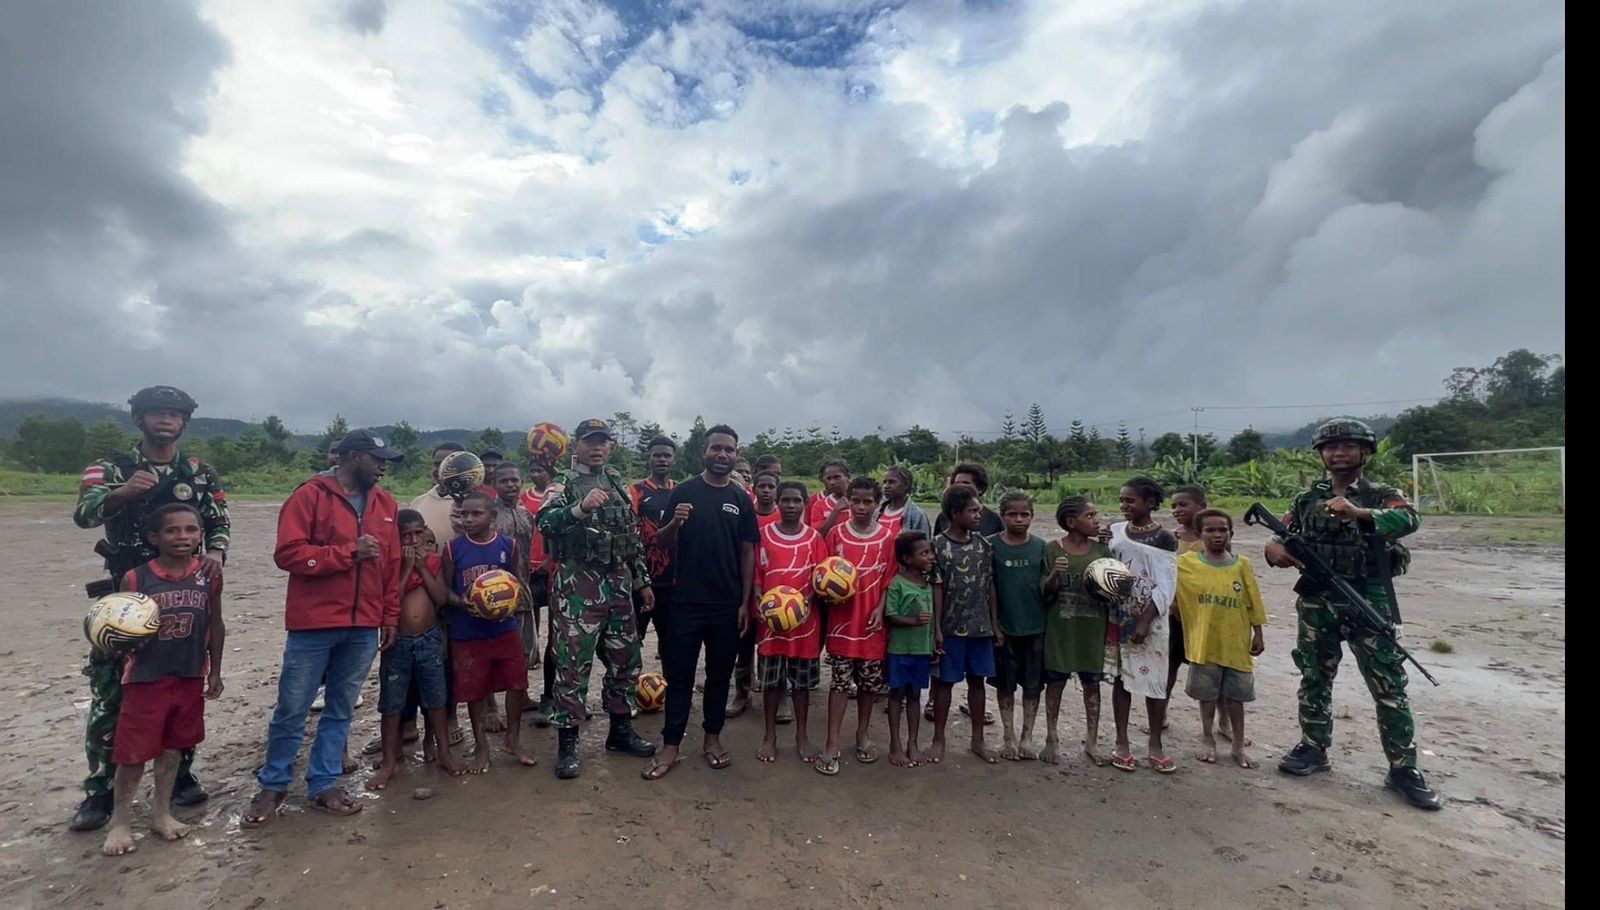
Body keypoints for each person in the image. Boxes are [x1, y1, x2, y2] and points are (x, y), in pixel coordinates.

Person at [71, 385, 228, 831]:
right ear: (139, 419)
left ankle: (179, 775)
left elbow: (218, 521)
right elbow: (84, 514)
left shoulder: (200, 473)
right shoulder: (110, 467)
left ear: (184, 423)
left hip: (187, 591)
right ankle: (100, 791)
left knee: (182, 682)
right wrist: (121, 493)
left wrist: (215, 552)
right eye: (155, 413)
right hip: (127, 596)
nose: (165, 420)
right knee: (113, 687)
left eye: (173, 414)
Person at [1267, 418, 1439, 810]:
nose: (1339, 453)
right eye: (1331, 447)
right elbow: (1284, 530)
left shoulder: (1382, 494)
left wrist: (1359, 512)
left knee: (1388, 684)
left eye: (1348, 446)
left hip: (1367, 598)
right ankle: (1313, 746)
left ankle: (1403, 768)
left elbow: (1409, 519)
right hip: (1317, 599)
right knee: (1314, 675)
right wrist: (1273, 547)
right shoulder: (1307, 498)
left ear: (1365, 453)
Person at [244, 429, 402, 827]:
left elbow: (392, 566)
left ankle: (324, 783)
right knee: (293, 707)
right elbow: (288, 554)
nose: (383, 467)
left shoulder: (386, 504)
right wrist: (348, 552)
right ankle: (273, 784)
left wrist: (389, 616)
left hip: (364, 625)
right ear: (352, 457)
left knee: (341, 707)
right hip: (314, 624)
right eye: (377, 459)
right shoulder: (309, 496)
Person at [100, 503, 225, 856]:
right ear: (154, 537)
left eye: (191, 529)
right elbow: (118, 629)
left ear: (201, 535)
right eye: (172, 530)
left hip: (189, 674)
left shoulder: (209, 575)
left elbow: (216, 622)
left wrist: (215, 670)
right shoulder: (136, 578)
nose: (182, 536)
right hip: (145, 678)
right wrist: (121, 645)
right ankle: (120, 822)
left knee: (172, 749)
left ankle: (161, 813)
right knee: (133, 753)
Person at [536, 419, 657, 779]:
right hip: (578, 586)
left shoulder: (617, 481)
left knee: (626, 658)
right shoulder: (563, 482)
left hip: (618, 582)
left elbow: (631, 536)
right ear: (576, 445)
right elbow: (545, 522)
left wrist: (642, 581)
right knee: (573, 664)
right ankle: (568, 742)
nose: (597, 448)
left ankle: (620, 731)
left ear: (610, 446)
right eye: (590, 442)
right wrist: (580, 508)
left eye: (603, 442)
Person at [642, 426, 759, 780]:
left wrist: (744, 602)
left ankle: (712, 738)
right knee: (679, 676)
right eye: (716, 448)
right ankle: (671, 745)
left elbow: (748, 552)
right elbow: (660, 543)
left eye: (729, 450)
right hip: (685, 602)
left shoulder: (741, 499)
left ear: (736, 455)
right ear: (703, 452)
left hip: (727, 604)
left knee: (719, 676)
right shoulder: (684, 491)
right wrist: (674, 523)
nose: (723, 455)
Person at [440, 492, 537, 773]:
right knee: (476, 690)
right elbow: (444, 588)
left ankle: (512, 740)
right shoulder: (452, 549)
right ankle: (481, 746)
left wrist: (509, 604)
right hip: (468, 632)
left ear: (492, 517)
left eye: (476, 514)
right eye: (464, 514)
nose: (468, 519)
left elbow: (515, 581)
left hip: (504, 628)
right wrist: (462, 602)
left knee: (517, 683)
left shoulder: (508, 545)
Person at [367, 510, 462, 789]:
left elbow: (441, 598)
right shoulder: (390, 565)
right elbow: (390, 601)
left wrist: (421, 567)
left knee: (436, 699)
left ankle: (444, 753)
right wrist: (408, 567)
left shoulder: (433, 561)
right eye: (406, 536)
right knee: (392, 703)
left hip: (429, 640)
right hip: (397, 642)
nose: (413, 540)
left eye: (418, 533)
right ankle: (389, 762)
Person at [815, 476, 894, 776]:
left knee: (868, 685)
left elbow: (888, 579)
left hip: (872, 625)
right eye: (856, 501)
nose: (861, 507)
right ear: (847, 501)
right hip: (842, 624)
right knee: (838, 684)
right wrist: (827, 594)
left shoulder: (886, 538)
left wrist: (880, 609)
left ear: (877, 504)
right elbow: (822, 574)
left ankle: (862, 734)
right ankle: (832, 741)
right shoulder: (836, 534)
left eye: (868, 502)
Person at [1177, 510, 1266, 769]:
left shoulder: (1242, 564)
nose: (1217, 535)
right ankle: (1208, 738)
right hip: (1204, 643)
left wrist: (1258, 632)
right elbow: (1163, 575)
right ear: (1199, 534)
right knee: (1206, 696)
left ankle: (1237, 745)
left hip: (1236, 643)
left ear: (1231, 533)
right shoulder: (1186, 563)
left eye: (1222, 530)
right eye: (1210, 530)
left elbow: (1253, 599)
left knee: (1236, 697)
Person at [751, 481, 828, 763]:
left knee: (801, 685)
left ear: (805, 503)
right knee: (771, 683)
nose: (791, 505)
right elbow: (757, 574)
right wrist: (758, 595)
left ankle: (802, 736)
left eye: (797, 501)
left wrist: (807, 600)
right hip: (771, 625)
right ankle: (769, 736)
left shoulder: (814, 539)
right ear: (778, 502)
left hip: (805, 626)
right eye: (786, 500)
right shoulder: (764, 536)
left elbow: (822, 577)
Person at [1104, 487, 1179, 774]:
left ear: (1150, 503)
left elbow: (1166, 585)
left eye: (1130, 500)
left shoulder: (1164, 538)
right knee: (1121, 678)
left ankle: (1155, 744)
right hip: (1119, 615)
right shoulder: (1116, 531)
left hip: (1151, 620)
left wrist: (1145, 621)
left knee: (1155, 682)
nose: (1124, 505)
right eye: (1121, 500)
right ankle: (1121, 742)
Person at [930, 486, 1001, 764]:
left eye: (979, 510)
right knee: (944, 684)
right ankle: (938, 738)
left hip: (979, 627)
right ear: (954, 513)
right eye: (972, 511)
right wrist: (936, 628)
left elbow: (990, 585)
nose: (978, 515)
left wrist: (994, 624)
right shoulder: (937, 546)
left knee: (977, 682)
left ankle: (978, 739)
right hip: (949, 628)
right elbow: (936, 588)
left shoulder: (983, 546)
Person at [1040, 498, 1113, 766]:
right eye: (1089, 515)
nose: (1096, 520)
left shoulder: (1102, 550)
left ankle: (1092, 741)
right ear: (1072, 522)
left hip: (1092, 632)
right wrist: (1055, 576)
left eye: (1096, 514)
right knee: (1055, 684)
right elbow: (1045, 592)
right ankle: (1051, 737)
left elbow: (1113, 589)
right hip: (1060, 631)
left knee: (1092, 684)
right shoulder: (1052, 550)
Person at [990, 492, 1050, 761]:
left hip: (1036, 628)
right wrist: (995, 625)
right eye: (1012, 514)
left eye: (1024, 514)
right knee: (1005, 685)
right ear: (1002, 515)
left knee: (1033, 686)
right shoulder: (991, 546)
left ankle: (1027, 737)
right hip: (1005, 629)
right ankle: (1008, 737)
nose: (1018, 519)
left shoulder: (1041, 547)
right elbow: (990, 588)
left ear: (1032, 516)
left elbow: (1048, 588)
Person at [884, 532, 937, 768]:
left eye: (930, 552)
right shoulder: (897, 583)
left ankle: (912, 743)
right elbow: (890, 615)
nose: (931, 557)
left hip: (921, 650)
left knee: (915, 696)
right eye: (924, 553)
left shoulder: (929, 584)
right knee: (896, 695)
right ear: (907, 558)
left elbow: (934, 619)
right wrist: (913, 621)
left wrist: (935, 640)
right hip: (899, 650)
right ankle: (895, 744)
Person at [629, 437, 678, 660]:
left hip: (672, 583)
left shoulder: (681, 491)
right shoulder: (636, 491)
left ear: (674, 460)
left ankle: (671, 683)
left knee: (671, 645)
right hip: (642, 581)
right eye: (657, 455)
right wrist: (638, 579)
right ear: (649, 459)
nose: (662, 459)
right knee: (631, 644)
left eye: (667, 455)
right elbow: (628, 535)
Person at [520, 457, 558, 722]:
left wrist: (550, 559)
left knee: (556, 637)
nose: (536, 474)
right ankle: (523, 693)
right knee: (527, 633)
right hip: (529, 571)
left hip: (553, 570)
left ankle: (550, 695)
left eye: (540, 470)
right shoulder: (524, 500)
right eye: (532, 470)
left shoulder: (559, 496)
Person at [932, 463, 1004, 537]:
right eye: (957, 483)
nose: (960, 487)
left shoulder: (994, 520)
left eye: (966, 483)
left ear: (980, 488)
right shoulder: (944, 517)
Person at [877, 466, 932, 538]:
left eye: (892, 482)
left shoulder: (917, 515)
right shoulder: (877, 513)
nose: (886, 486)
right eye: (884, 482)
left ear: (906, 485)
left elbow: (924, 542)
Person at [806, 460, 850, 530]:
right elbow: (813, 532)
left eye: (837, 477)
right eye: (828, 478)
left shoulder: (860, 501)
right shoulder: (818, 504)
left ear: (847, 476)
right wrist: (836, 510)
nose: (832, 482)